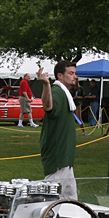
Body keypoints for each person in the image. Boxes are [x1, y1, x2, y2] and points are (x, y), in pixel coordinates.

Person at [38, 61, 80, 199]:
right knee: (49, 199)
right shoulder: (57, 91)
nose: (75, 76)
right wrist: (46, 84)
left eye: (75, 73)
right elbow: (48, 106)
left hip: (65, 160)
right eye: (71, 73)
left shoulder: (64, 93)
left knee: (71, 201)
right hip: (57, 159)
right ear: (60, 76)